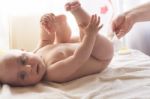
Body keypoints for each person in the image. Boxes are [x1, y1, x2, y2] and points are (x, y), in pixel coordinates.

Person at [0, 1, 113, 86]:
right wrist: (90, 35)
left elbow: (46, 40)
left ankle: (59, 25)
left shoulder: (37, 52)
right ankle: (77, 11)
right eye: (22, 76)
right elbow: (79, 58)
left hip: (77, 44)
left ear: (24, 51)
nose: (29, 68)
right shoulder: (53, 73)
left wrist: (45, 24)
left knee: (61, 42)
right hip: (99, 57)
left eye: (23, 60)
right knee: (86, 32)